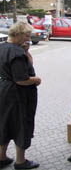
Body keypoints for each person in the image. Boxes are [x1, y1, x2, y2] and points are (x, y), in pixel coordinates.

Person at [0, 21, 41, 169]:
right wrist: (37, 80)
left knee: (5, 123)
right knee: (21, 124)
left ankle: (2, 157)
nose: (28, 39)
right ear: (17, 35)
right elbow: (21, 79)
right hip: (17, 96)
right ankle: (20, 161)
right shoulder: (17, 53)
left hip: (4, 91)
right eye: (26, 36)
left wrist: (26, 51)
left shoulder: (3, 47)